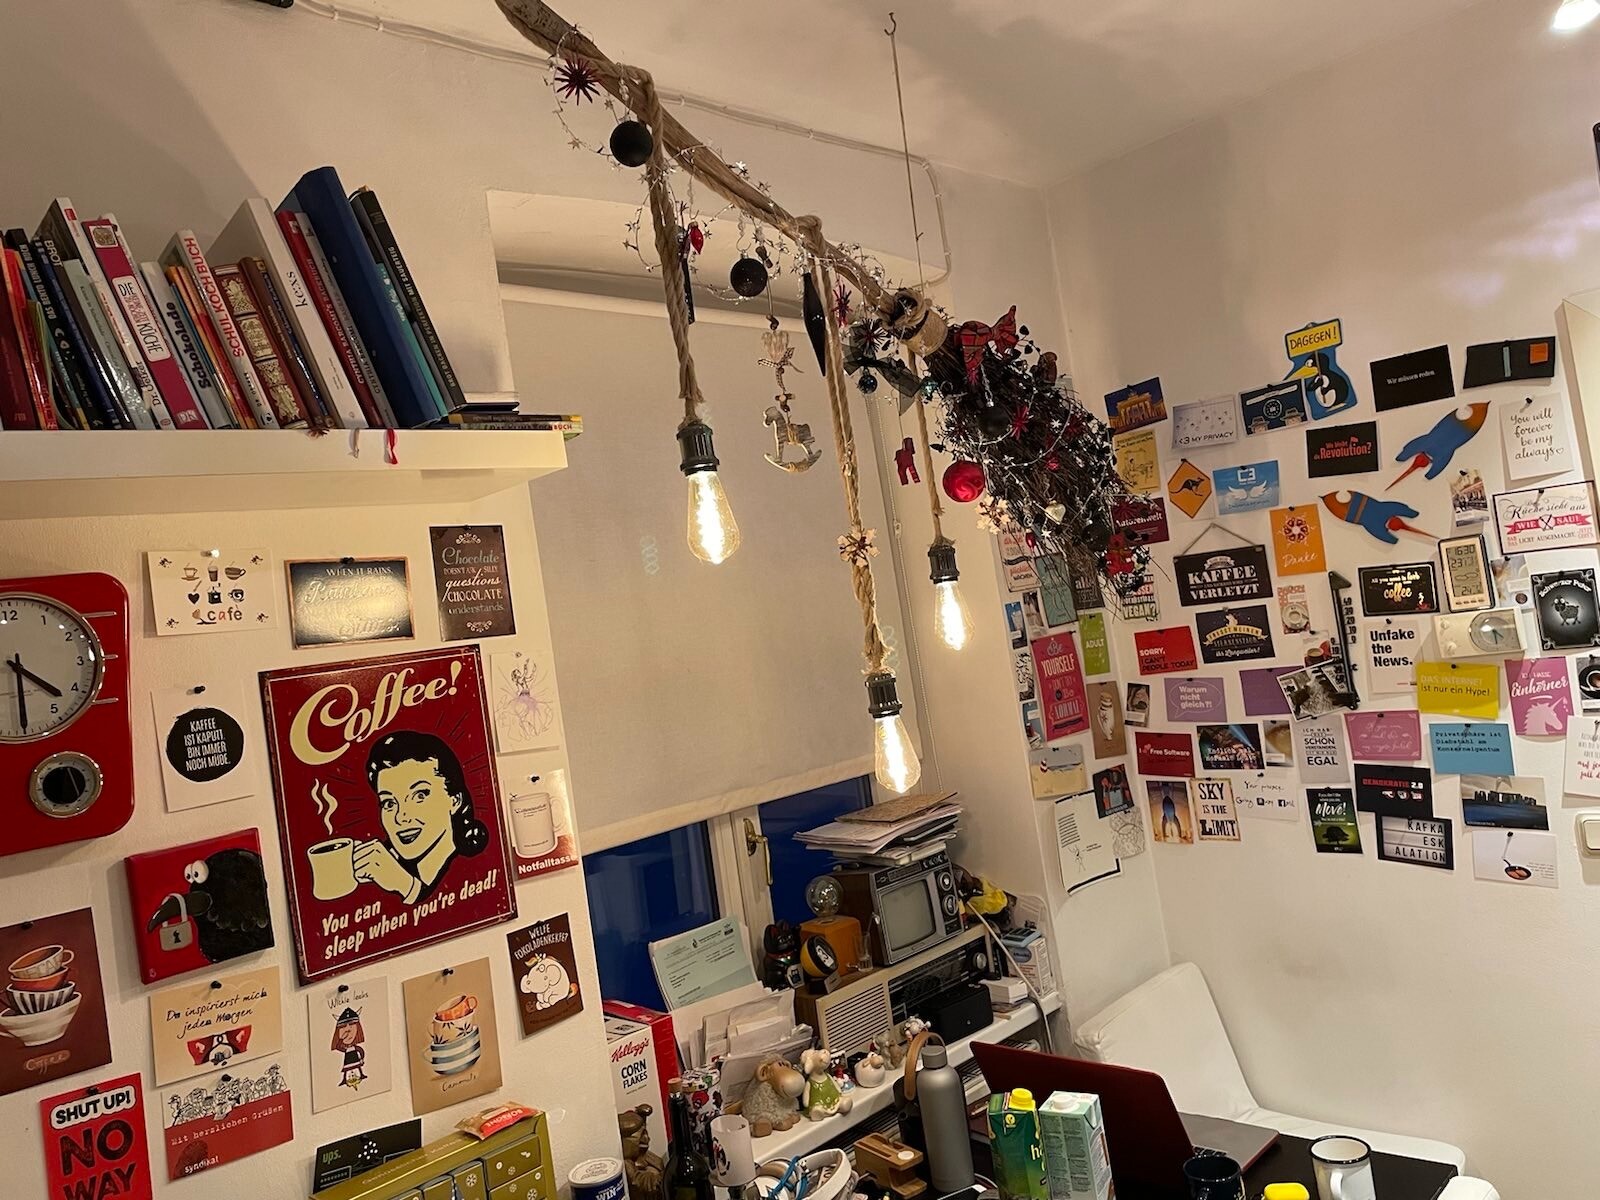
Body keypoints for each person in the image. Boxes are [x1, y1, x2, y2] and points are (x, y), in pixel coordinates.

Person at [354, 730, 490, 904]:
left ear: (454, 800)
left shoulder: (472, 869)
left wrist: (407, 887)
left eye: (420, 795)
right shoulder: (385, 878)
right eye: (389, 803)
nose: (401, 817)